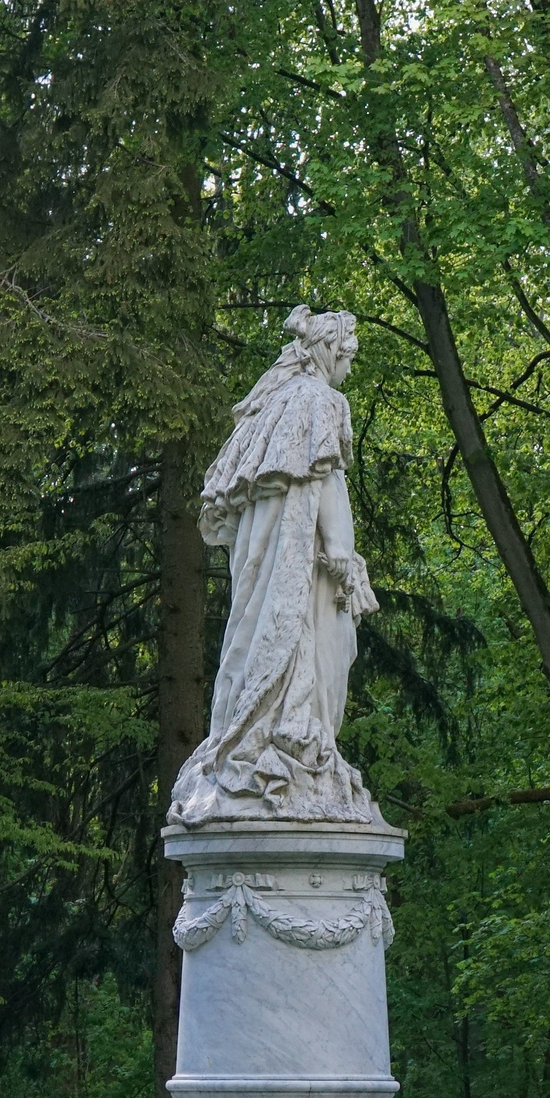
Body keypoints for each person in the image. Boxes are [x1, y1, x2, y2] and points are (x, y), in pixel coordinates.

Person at [166, 307, 382, 827]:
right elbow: (322, 480)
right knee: (322, 661)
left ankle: (264, 736)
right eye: (348, 356)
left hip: (272, 573)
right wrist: (341, 556)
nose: (350, 368)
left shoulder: (274, 405)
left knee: (258, 646)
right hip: (310, 577)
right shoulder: (318, 402)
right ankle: (298, 748)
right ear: (330, 352)